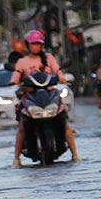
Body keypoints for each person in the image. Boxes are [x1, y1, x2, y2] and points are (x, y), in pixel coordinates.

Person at [9, 30, 79, 166]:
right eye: (33, 44)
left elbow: (58, 71)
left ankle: (75, 154)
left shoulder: (48, 58)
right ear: (28, 45)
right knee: (22, 127)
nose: (36, 46)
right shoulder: (22, 62)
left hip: (50, 94)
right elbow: (15, 78)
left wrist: (62, 78)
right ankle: (16, 159)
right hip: (30, 96)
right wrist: (16, 82)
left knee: (65, 123)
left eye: (38, 44)